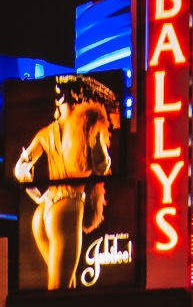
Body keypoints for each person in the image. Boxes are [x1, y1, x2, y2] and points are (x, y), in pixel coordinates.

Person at [13, 75, 117, 290]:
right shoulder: (88, 124)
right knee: (59, 289)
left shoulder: (45, 132)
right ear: (80, 98)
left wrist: (37, 195)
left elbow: (20, 170)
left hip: (42, 213)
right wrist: (100, 142)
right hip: (68, 208)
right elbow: (101, 167)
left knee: (66, 285)